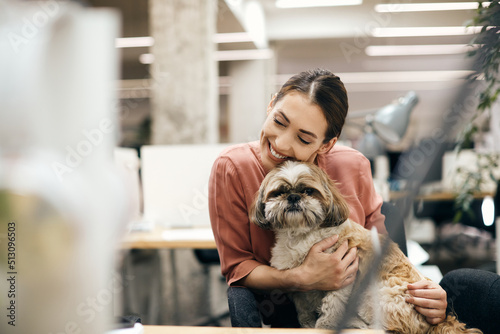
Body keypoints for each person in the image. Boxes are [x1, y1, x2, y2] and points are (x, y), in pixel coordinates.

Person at [208, 68, 447, 327]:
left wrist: (423, 291)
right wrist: (300, 277)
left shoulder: (353, 165)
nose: (282, 144)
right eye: (279, 121)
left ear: (326, 145)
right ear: (271, 105)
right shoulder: (232, 167)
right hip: (285, 312)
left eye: (303, 138)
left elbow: (381, 250)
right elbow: (238, 268)